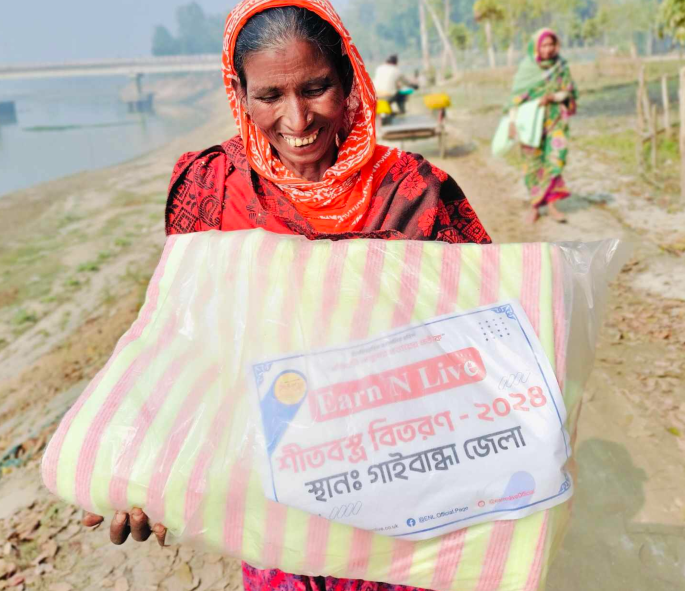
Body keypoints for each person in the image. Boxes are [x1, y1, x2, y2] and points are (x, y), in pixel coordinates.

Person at [82, 1, 490, 589]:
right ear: (239, 93)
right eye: (269, 95)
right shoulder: (212, 187)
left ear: (348, 79)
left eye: (316, 88)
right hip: (268, 493)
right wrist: (142, 468)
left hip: (399, 484)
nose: (297, 118)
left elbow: (484, 338)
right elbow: (184, 340)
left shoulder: (415, 192)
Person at [507, 28, 577, 224]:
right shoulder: (527, 68)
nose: (548, 49)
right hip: (530, 124)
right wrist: (512, 122)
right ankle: (535, 207)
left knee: (555, 160)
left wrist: (553, 97)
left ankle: (553, 206)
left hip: (555, 120)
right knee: (532, 165)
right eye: (544, 45)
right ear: (536, 46)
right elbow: (515, 98)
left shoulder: (561, 66)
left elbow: (568, 92)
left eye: (551, 45)